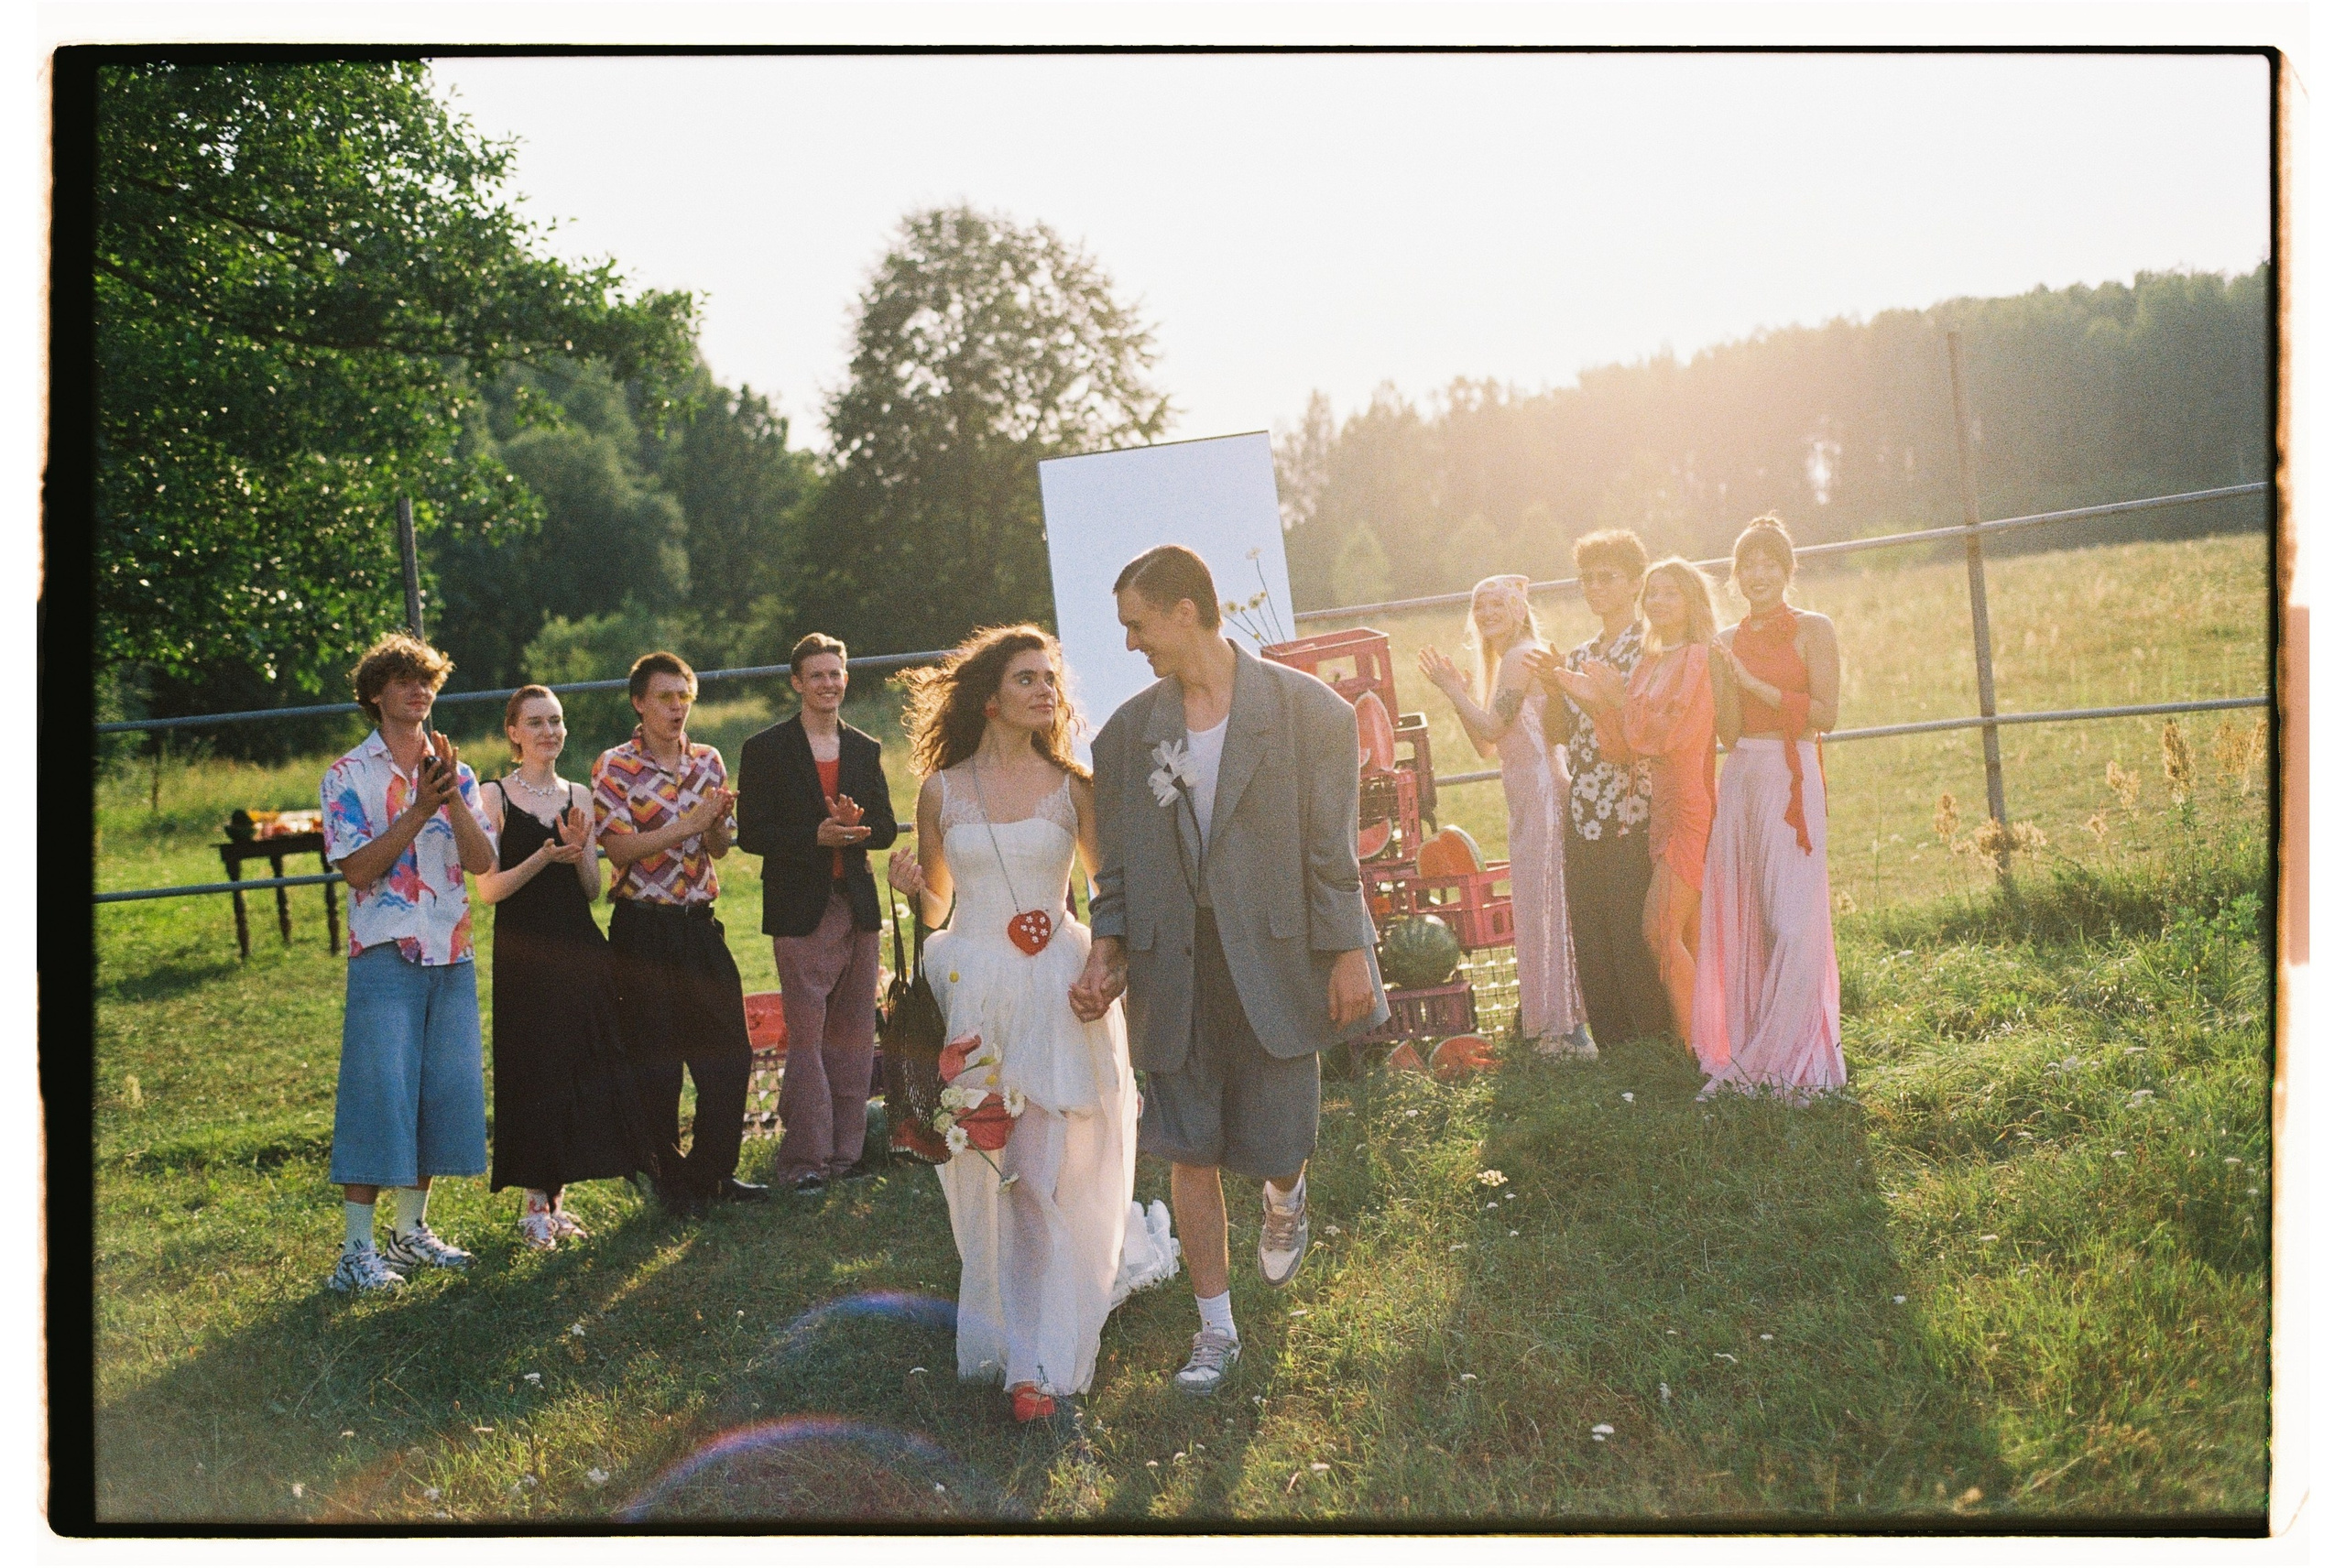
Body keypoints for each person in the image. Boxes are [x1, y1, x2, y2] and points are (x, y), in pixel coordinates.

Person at [1073, 545, 1388, 1399]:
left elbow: (1331, 854)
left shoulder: (1311, 716)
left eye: (1139, 624)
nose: (1132, 643)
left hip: (1279, 954)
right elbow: (1121, 871)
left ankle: (1287, 1192)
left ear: (1186, 610)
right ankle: (1215, 1330)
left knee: (1280, 1136)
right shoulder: (1129, 734)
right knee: (1189, 1145)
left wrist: (1350, 949)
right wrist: (1109, 949)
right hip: (1177, 964)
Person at [887, 626, 1172, 1423]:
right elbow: (941, 906)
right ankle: (1017, 1327)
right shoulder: (941, 792)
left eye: (1051, 677)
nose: (1046, 690)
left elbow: (1106, 890)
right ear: (989, 698)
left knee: (1032, 1179)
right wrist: (912, 884)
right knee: (993, 1175)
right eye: (1026, 679)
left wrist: (1105, 965)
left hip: (1053, 991)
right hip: (973, 992)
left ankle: (1030, 1368)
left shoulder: (1073, 788)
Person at [317, 633, 496, 1292]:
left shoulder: (459, 771)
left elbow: (481, 863)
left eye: (425, 680)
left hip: (449, 948)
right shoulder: (348, 776)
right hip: (386, 951)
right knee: (378, 1096)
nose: (418, 691)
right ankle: (355, 1254)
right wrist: (418, 808)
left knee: (436, 1096)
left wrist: (447, 797)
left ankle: (410, 1232)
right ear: (375, 695)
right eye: (401, 680)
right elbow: (358, 868)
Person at [475, 685, 655, 1248]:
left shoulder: (579, 792)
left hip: (579, 946)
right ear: (513, 732)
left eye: (556, 721)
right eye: (536, 722)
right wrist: (540, 857)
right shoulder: (494, 795)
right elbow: (489, 890)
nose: (549, 732)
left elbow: (594, 888)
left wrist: (578, 853)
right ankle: (531, 1206)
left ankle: (556, 1202)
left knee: (578, 1065)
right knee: (535, 1068)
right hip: (526, 953)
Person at [592, 651, 765, 1216]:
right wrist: (685, 824)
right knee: (657, 1060)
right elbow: (617, 848)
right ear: (639, 703)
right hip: (643, 928)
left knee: (729, 1054)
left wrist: (713, 825)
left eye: (684, 696)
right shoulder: (615, 767)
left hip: (699, 926)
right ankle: (670, 1183)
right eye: (665, 697)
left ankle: (713, 1174)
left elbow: (719, 847)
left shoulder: (708, 760)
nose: (677, 707)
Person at [736, 633, 900, 1196]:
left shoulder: (864, 747)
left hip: (856, 904)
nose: (828, 683)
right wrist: (815, 835)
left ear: (846, 679)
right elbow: (751, 834)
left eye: (836, 674)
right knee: (806, 1039)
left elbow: (883, 826)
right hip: (800, 909)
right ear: (797, 683)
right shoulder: (765, 749)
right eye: (817, 675)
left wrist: (856, 827)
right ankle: (805, 1159)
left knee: (853, 1037)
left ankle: (847, 1156)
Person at [1692, 516, 1847, 1098]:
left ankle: (1798, 1055)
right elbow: (1731, 733)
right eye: (1747, 566)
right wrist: (1721, 681)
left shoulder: (1815, 629)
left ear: (1787, 571)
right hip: (1744, 778)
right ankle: (1755, 1043)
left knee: (1794, 917)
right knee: (1752, 917)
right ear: (1736, 577)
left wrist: (1752, 683)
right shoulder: (1727, 641)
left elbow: (1826, 714)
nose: (1758, 575)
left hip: (1792, 775)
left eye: (1769, 564)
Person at [1417, 573, 1594, 1058]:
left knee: (1545, 903)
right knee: (1537, 903)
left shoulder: (1519, 656)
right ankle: (1555, 1024)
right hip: (1525, 795)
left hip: (1540, 791)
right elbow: (1485, 744)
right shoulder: (1507, 661)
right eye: (1479, 606)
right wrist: (1460, 693)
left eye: (1496, 604)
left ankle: (1561, 1029)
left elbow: (1493, 725)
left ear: (1518, 609)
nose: (1486, 613)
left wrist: (1454, 690)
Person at [1545, 560, 1719, 1050]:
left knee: (1659, 931)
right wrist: (1597, 703)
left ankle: (1700, 1050)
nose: (1659, 602)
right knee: (1684, 935)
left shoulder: (1701, 660)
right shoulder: (1649, 663)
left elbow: (1668, 738)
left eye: (1672, 593)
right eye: (1654, 593)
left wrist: (1615, 699)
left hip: (1689, 808)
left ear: (1692, 602)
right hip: (1659, 812)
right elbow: (1624, 751)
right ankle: (1705, 1049)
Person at [1525, 530, 1673, 1049]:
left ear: (1636, 582)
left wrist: (1582, 692)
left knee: (1632, 925)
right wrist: (1552, 686)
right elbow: (1559, 735)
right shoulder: (1581, 651)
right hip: (1585, 801)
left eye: (1606, 577)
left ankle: (1653, 1043)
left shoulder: (1649, 649)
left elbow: (1638, 729)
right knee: (1591, 931)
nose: (1594, 587)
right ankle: (1614, 1046)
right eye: (1586, 578)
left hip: (1633, 800)